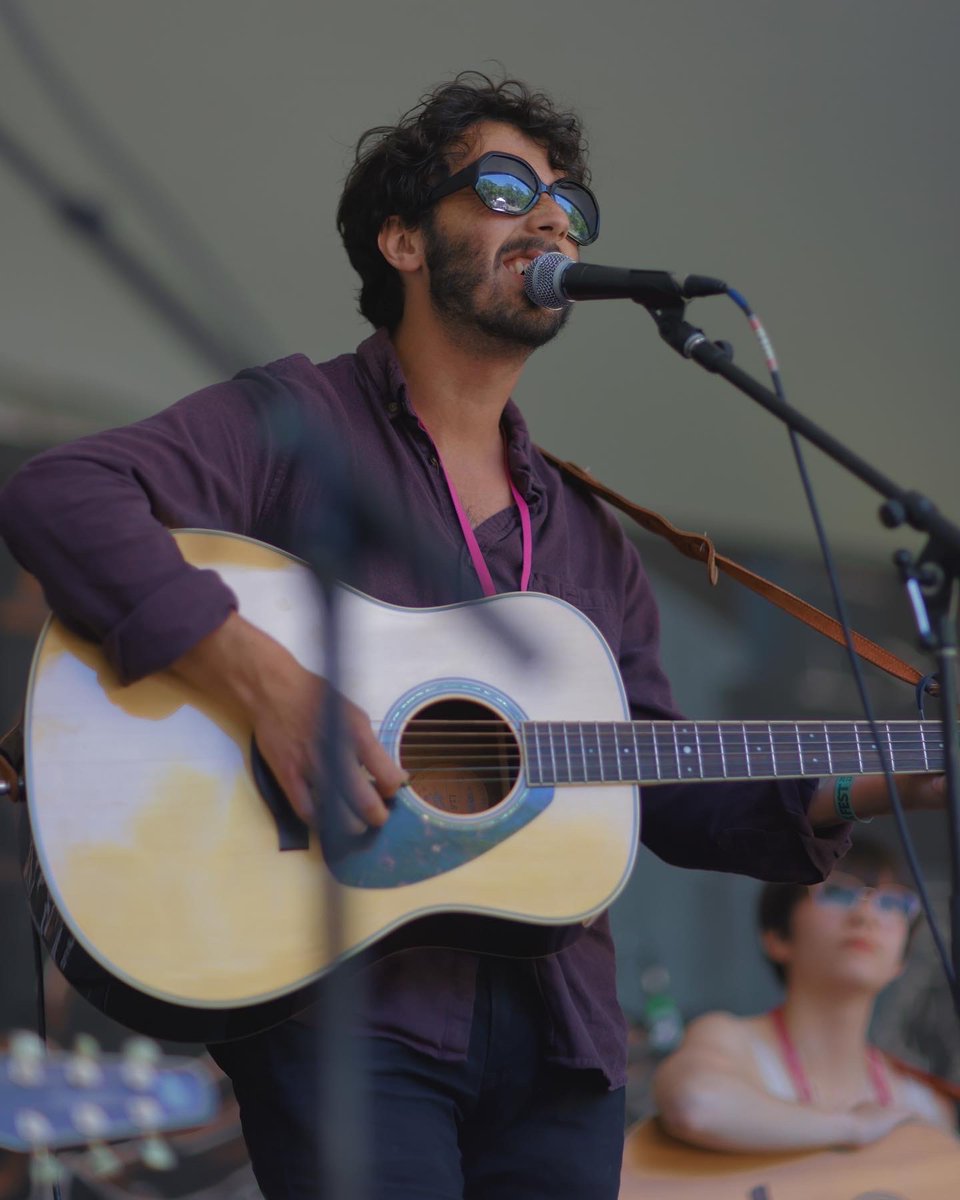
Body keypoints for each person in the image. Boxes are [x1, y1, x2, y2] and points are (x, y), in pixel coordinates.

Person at [0, 73, 946, 1200]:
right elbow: (63, 495)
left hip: (562, 1048)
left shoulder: (590, 539)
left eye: (568, 204)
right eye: (506, 190)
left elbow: (669, 783)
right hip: (351, 1021)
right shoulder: (296, 424)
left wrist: (901, 776)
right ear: (402, 238)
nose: (552, 220)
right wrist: (270, 683)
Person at [653, 837, 957, 1153]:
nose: (865, 916)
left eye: (893, 903)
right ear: (777, 937)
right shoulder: (731, 1040)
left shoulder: (924, 1108)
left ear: (901, 961)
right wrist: (852, 1127)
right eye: (837, 892)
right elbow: (696, 1104)